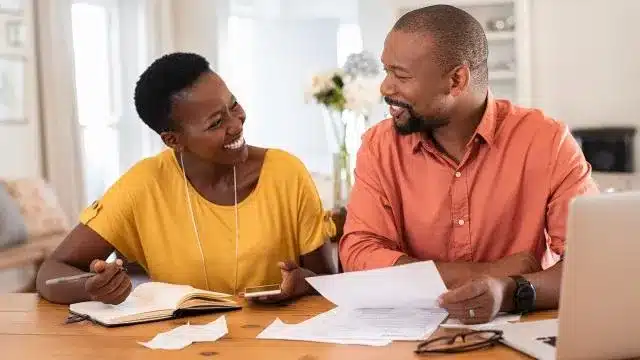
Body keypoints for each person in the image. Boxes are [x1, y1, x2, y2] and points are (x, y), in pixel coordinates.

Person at [339, 5, 599, 324]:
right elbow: (359, 253)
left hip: (521, 332)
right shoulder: (379, 147)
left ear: (456, 80)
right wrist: (486, 273)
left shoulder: (547, 141)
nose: (385, 87)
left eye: (401, 75)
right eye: (386, 71)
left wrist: (508, 290)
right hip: (409, 335)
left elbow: (591, 262)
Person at [36, 52, 335, 305]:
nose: (236, 124)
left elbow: (328, 282)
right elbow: (51, 272)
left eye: (233, 105)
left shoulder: (286, 172)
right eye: (216, 122)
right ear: (173, 140)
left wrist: (301, 284)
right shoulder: (144, 185)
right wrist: (89, 287)